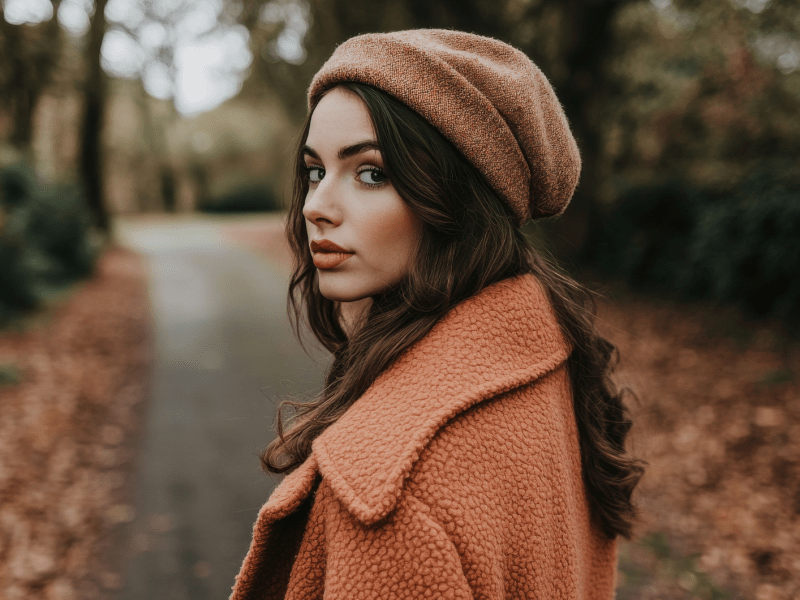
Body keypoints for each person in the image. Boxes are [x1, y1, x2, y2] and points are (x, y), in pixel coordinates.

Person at [230, 29, 644, 600]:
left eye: (370, 172)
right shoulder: (547, 358)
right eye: (315, 171)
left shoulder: (392, 494)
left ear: (454, 197)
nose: (315, 207)